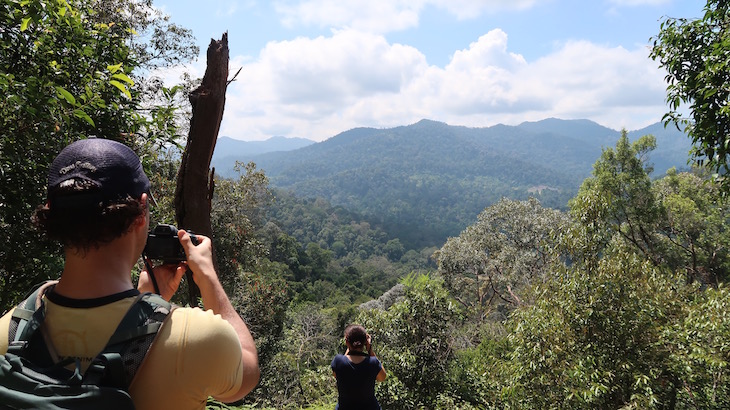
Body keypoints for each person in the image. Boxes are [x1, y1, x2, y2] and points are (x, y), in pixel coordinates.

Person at [0, 138, 259, 409]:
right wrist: (207, 277)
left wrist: (144, 301)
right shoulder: (195, 339)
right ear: (140, 212)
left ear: (51, 213)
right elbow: (248, 369)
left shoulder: (11, 331)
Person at [331, 324, 387, 410]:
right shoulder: (373, 362)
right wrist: (370, 349)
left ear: (347, 342)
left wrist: (349, 347)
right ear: (365, 342)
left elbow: (336, 374)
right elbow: (382, 378)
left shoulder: (338, 361)